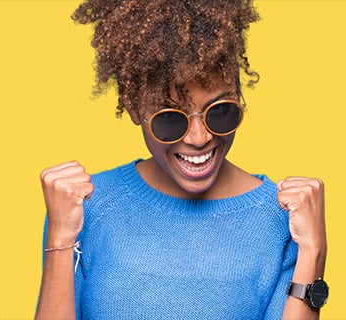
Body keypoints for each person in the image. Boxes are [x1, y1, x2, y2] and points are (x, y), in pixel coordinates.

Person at [35, 0, 328, 319]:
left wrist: (313, 251)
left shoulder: (282, 216)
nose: (199, 137)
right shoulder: (84, 206)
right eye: (171, 119)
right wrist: (60, 239)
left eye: (220, 112)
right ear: (135, 108)